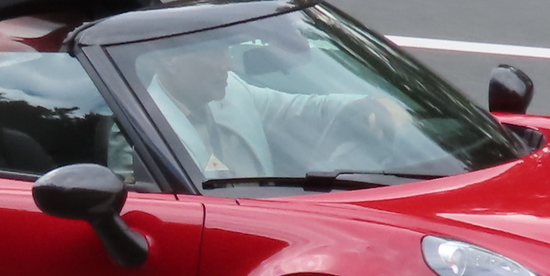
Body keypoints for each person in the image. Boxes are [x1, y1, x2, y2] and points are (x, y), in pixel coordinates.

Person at [138, 35, 408, 180]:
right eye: (214, 54)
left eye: (227, 53)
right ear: (170, 60)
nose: (228, 65)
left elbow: (302, 109)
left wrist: (368, 105)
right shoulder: (146, 132)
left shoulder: (233, 89)